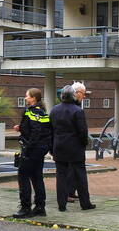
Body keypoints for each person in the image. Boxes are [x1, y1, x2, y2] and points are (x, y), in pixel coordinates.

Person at [50, 82, 96, 212]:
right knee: (80, 176)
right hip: (75, 148)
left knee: (61, 176)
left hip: (59, 147)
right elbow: (83, 132)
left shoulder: (54, 110)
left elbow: (51, 131)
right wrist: (83, 144)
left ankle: (61, 205)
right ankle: (85, 203)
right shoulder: (78, 111)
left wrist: (52, 147)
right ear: (73, 96)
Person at [12, 87, 51, 218]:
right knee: (37, 177)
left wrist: (28, 148)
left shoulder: (31, 112)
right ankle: (40, 207)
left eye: (27, 96)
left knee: (23, 176)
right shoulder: (43, 112)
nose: (25, 98)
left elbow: (36, 131)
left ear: (34, 98)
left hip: (32, 150)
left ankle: (25, 208)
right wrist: (21, 128)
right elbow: (41, 129)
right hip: (40, 150)